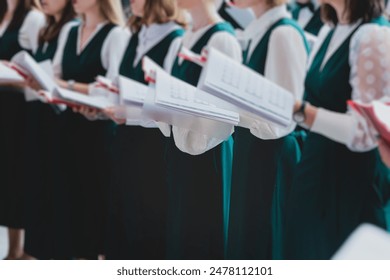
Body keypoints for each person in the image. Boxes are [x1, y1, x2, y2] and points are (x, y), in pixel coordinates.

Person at [285, 0, 389, 260]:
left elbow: (364, 132)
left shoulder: (373, 36)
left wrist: (302, 112)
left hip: (348, 183)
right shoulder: (328, 30)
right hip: (314, 169)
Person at [226, 0, 309, 260]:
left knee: (266, 244)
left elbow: (284, 118)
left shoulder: (283, 33)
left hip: (271, 157)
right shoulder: (260, 30)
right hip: (251, 150)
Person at [102, 0, 184, 260]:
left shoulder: (175, 39)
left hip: (153, 151)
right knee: (121, 224)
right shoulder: (136, 35)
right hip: (125, 144)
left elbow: (170, 106)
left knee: (147, 232)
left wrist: (131, 114)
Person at [163, 0, 242, 259]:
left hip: (209, 154)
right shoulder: (182, 37)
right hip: (178, 150)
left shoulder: (223, 40)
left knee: (204, 239)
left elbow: (225, 113)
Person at [51, 0, 127, 259]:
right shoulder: (69, 30)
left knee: (96, 205)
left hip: (99, 136)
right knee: (71, 205)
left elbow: (114, 88)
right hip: (68, 129)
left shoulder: (116, 34)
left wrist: (68, 86)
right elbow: (54, 76)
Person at [22, 0, 76, 260]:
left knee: (57, 191)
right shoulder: (47, 28)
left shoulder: (70, 29)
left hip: (59, 121)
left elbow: (61, 78)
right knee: (38, 186)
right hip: (38, 113)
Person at [0, 0, 45, 260]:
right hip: (3, 109)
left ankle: (22, 251)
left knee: (17, 177)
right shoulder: (4, 12)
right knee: (5, 179)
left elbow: (40, 73)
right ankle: (14, 249)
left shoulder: (33, 19)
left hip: (19, 111)